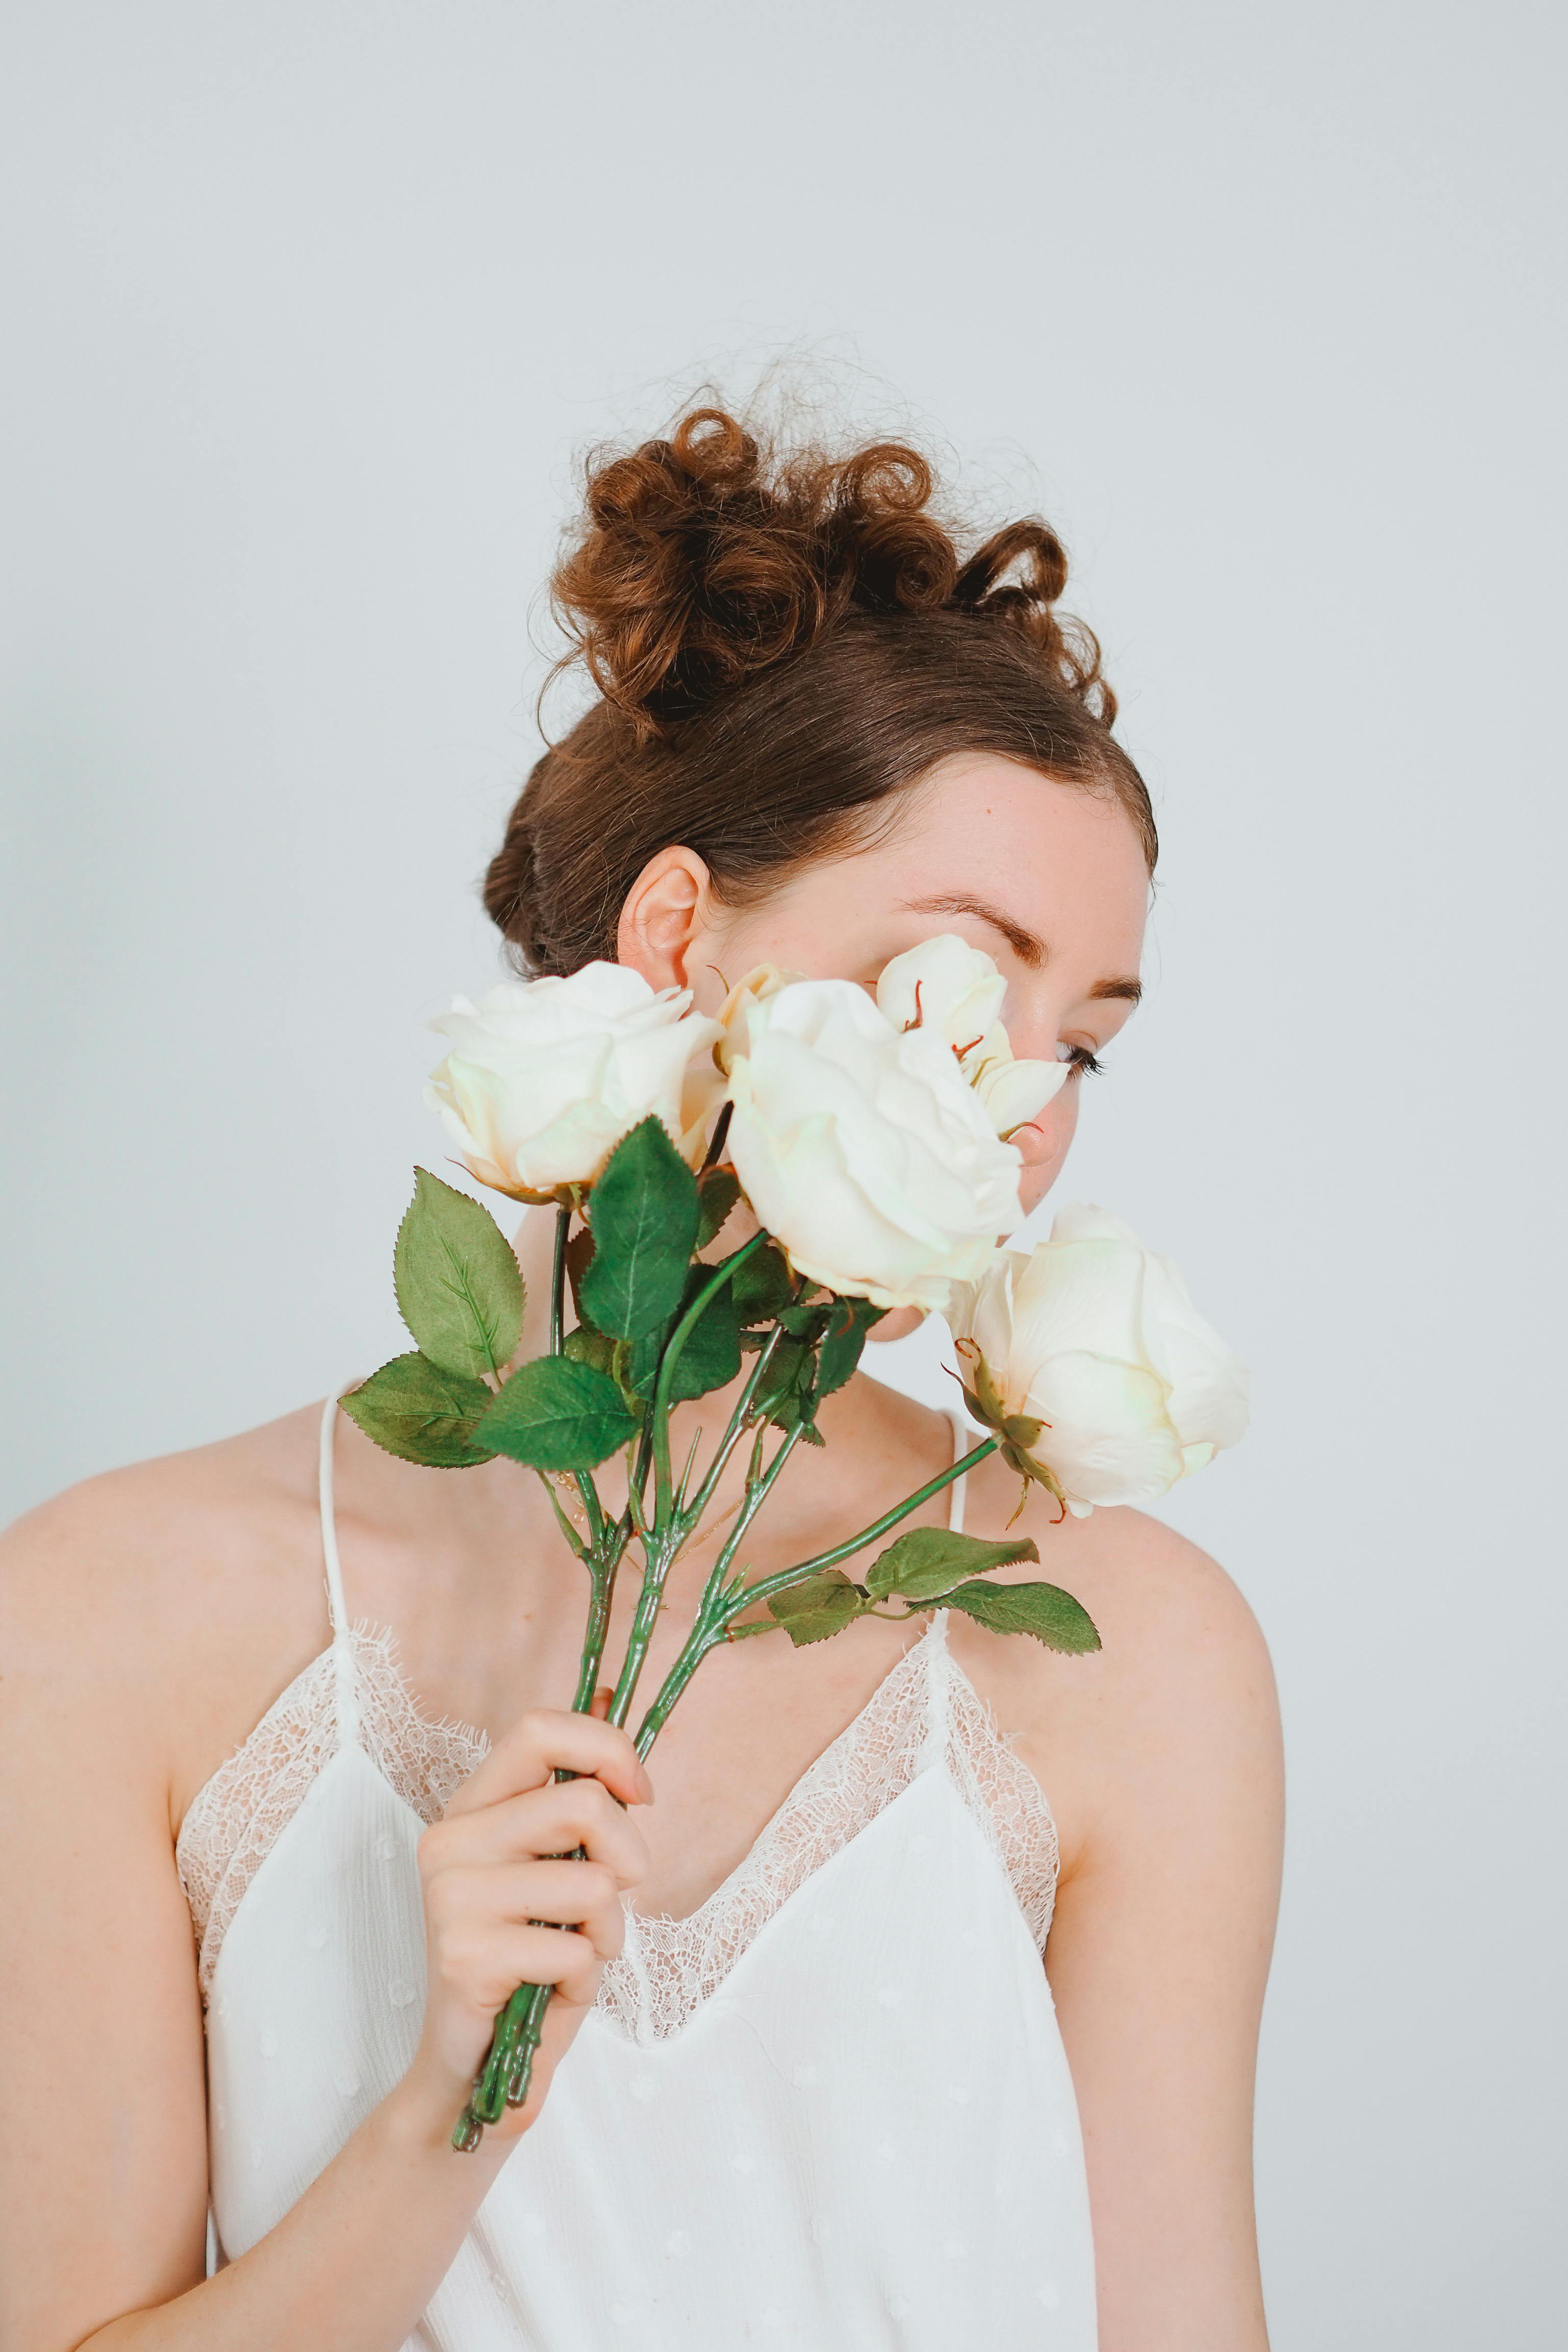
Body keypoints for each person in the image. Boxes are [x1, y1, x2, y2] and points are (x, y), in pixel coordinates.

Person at [0, 406, 1283, 2351]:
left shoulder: (1133, 1649)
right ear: (681, 936)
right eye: (959, 982)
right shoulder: (112, 1614)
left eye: (1082, 1042)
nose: (1026, 1110)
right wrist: (449, 2098)